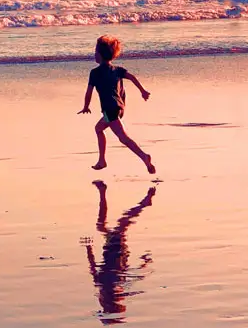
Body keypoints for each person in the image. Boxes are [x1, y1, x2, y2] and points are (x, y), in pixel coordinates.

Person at [78, 35, 156, 174]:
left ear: (100, 55)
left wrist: (86, 106)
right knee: (99, 128)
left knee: (122, 137)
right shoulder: (117, 70)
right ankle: (102, 160)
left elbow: (89, 91)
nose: (94, 54)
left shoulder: (95, 73)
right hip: (119, 108)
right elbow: (132, 77)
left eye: (96, 52)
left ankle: (144, 157)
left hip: (110, 109)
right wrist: (142, 91)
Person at [84, 180, 156, 324]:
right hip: (117, 249)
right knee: (120, 222)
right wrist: (144, 262)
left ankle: (103, 192)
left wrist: (89, 248)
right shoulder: (114, 285)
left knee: (107, 224)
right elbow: (131, 273)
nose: (101, 304)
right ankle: (143, 202)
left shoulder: (109, 285)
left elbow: (93, 267)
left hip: (114, 249)